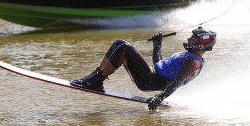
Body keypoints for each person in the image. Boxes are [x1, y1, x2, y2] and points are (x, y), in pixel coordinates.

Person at [70, 27, 217, 111]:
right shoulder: (188, 56)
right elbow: (159, 65)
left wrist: (159, 98)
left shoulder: (193, 62)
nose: (190, 39)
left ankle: (96, 80)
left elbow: (177, 82)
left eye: (193, 38)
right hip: (151, 75)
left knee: (123, 46)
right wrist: (157, 45)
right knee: (119, 45)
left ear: (201, 44)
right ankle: (95, 78)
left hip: (150, 80)